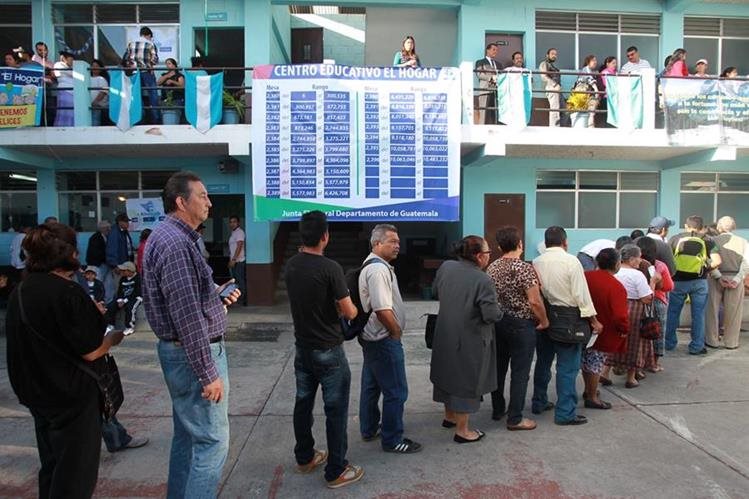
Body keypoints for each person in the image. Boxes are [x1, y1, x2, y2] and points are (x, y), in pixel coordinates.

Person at [6, 222, 126, 497]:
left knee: (51, 465)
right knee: (75, 475)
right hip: (71, 396)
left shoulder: (21, 291)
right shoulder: (67, 293)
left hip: (36, 392)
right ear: (69, 253)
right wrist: (113, 338)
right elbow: (91, 349)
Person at [142, 171, 240, 498]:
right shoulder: (174, 243)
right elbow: (186, 316)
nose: (209, 202)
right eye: (202, 196)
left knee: (187, 435)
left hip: (184, 352)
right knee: (213, 442)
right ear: (181, 201)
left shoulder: (178, 237)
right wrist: (207, 373)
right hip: (193, 354)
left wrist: (216, 294)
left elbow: (188, 295)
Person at [284, 210, 363, 489]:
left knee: (303, 402)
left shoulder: (291, 265)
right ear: (325, 236)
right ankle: (336, 469)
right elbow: (349, 311)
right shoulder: (330, 268)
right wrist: (353, 307)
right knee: (336, 409)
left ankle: (305, 457)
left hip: (302, 347)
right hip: (329, 350)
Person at [431, 236, 502, 443]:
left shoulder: (447, 267)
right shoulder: (482, 279)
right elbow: (490, 314)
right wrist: (501, 313)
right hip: (470, 337)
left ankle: (449, 416)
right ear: (479, 256)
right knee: (467, 380)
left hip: (445, 332)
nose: (489, 257)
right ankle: (463, 431)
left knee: (446, 374)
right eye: (488, 253)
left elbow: (436, 291)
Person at [358, 224, 421, 453]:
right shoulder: (378, 270)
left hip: (373, 338)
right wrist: (395, 333)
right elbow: (383, 309)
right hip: (383, 339)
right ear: (377, 244)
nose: (397, 246)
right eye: (392, 241)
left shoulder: (379, 266)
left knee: (371, 386)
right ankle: (393, 439)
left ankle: (369, 428)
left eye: (398, 241)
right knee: (396, 391)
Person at [532, 226, 602, 426]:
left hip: (545, 315)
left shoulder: (537, 261)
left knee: (543, 362)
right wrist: (594, 321)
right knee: (567, 367)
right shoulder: (572, 261)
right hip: (569, 318)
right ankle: (565, 413)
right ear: (565, 241)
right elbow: (582, 296)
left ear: (546, 243)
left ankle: (539, 401)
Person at [487, 226, 549, 431]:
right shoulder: (524, 268)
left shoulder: (492, 267)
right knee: (520, 372)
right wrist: (544, 320)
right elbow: (535, 301)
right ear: (520, 244)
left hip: (499, 322)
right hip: (522, 325)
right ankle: (515, 417)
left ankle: (498, 409)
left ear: (499, 246)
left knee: (499, 368)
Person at [665, 215, 721, 355]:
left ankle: (669, 344)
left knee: (673, 313)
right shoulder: (708, 240)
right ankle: (696, 346)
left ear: (686, 226)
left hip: (677, 282)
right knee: (698, 315)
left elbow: (667, 261)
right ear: (702, 227)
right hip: (699, 282)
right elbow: (717, 261)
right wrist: (704, 269)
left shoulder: (675, 239)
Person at [583, 248, 628, 407]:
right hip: (605, 331)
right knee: (596, 364)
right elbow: (620, 316)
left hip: (583, 326)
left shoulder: (585, 277)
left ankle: (589, 390)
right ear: (616, 264)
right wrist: (624, 330)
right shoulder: (616, 287)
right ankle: (592, 396)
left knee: (587, 362)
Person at [606, 244, 656, 388]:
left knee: (614, 340)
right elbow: (647, 298)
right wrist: (652, 282)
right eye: (639, 258)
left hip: (614, 307)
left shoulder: (614, 272)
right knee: (634, 342)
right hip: (633, 308)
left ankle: (605, 372)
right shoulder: (637, 274)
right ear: (632, 259)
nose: (640, 261)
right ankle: (631, 377)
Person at [706, 216, 749, 349]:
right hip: (735, 277)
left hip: (715, 277)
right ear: (734, 227)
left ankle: (712, 341)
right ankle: (731, 342)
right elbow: (746, 263)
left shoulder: (712, 241)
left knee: (712, 310)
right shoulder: (743, 242)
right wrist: (737, 280)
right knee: (734, 312)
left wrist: (718, 276)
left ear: (719, 227)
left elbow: (707, 260)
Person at [637, 236, 673, 372]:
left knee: (639, 333)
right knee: (657, 332)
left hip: (637, 302)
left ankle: (638, 363)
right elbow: (669, 286)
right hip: (657, 301)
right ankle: (653, 363)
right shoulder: (660, 265)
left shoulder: (633, 264)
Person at [124, 26, 160, 124]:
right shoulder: (150, 44)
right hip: (147, 72)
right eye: (150, 37)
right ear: (148, 35)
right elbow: (155, 59)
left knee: (135, 95)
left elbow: (127, 58)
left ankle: (138, 119)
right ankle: (155, 119)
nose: (150, 39)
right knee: (153, 96)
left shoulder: (130, 43)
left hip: (134, 73)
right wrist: (151, 65)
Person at [105, 261, 142, 336]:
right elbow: (120, 291)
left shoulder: (138, 278)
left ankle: (130, 327)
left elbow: (137, 292)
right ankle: (111, 325)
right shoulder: (123, 279)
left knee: (130, 307)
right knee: (110, 306)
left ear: (129, 270)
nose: (121, 272)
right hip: (124, 298)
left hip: (136, 297)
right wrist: (120, 300)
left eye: (123, 270)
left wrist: (125, 301)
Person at [87, 220, 115, 303]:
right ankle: (98, 301)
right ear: (103, 229)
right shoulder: (95, 238)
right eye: (108, 229)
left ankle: (108, 301)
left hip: (105, 263)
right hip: (98, 264)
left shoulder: (105, 237)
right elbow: (97, 253)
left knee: (108, 284)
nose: (109, 230)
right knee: (98, 282)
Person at [475, 43, 501, 124]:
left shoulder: (499, 64)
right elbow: (479, 74)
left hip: (496, 91)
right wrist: (491, 78)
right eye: (493, 49)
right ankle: (481, 132)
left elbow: (502, 76)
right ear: (487, 50)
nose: (495, 52)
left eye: (496, 50)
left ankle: (496, 130)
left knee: (495, 113)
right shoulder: (480, 62)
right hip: (485, 90)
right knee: (483, 113)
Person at [539, 48, 561, 127]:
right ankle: (554, 128)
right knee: (555, 109)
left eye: (555, 54)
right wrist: (554, 85)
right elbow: (544, 76)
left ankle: (561, 128)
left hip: (558, 90)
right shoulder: (544, 63)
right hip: (552, 88)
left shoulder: (553, 66)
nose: (554, 56)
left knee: (565, 109)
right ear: (547, 55)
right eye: (552, 54)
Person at [227, 215, 246, 305]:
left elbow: (239, 245)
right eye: (231, 222)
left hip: (239, 261)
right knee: (236, 281)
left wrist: (234, 259)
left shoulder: (240, 232)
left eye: (234, 222)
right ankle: (238, 300)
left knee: (239, 281)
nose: (232, 224)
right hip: (234, 261)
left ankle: (243, 300)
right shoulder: (233, 233)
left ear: (238, 223)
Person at [53, 51, 75, 127]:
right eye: (70, 59)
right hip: (65, 91)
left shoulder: (70, 67)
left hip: (72, 92)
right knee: (65, 111)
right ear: (63, 58)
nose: (72, 62)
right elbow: (73, 74)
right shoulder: (58, 64)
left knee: (71, 111)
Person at [90, 59, 109, 126]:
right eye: (93, 66)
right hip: (89, 106)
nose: (94, 68)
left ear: (100, 69)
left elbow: (103, 92)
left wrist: (95, 102)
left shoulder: (102, 79)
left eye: (96, 66)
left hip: (98, 106)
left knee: (95, 123)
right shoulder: (87, 78)